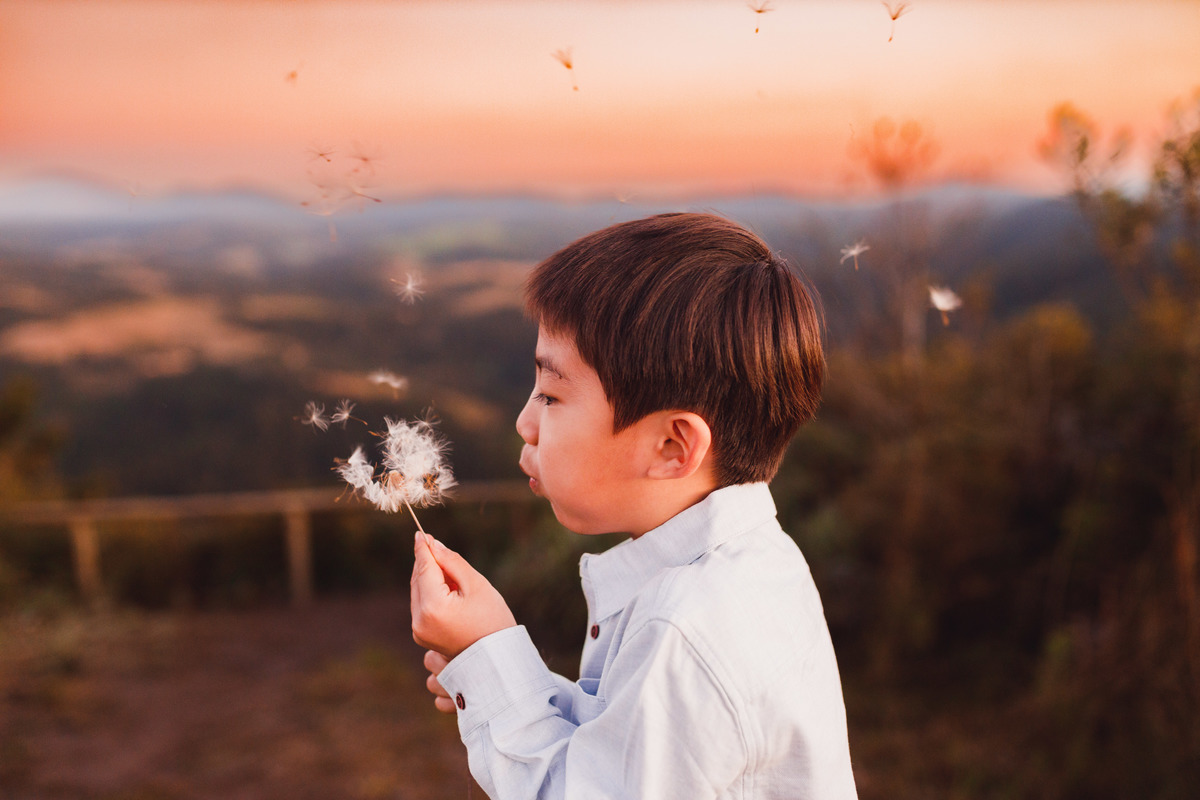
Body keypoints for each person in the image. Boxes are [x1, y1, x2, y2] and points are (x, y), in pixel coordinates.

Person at [410, 212, 857, 799]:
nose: (525, 422)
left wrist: (483, 650)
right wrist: (498, 675)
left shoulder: (688, 633)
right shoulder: (747, 572)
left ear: (673, 447)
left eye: (550, 394)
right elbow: (626, 747)